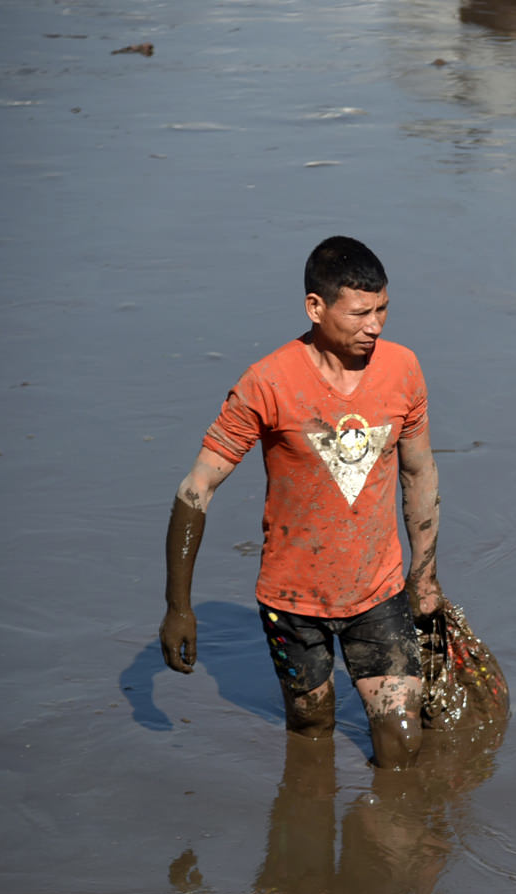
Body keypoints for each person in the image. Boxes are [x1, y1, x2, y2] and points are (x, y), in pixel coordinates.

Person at [157, 236, 442, 768]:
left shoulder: (403, 370)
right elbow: (197, 489)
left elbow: (419, 472)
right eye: (360, 313)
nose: (375, 326)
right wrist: (178, 607)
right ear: (316, 307)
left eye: (382, 310)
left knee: (401, 744)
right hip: (290, 601)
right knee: (312, 731)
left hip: (377, 591)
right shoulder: (267, 382)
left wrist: (424, 578)